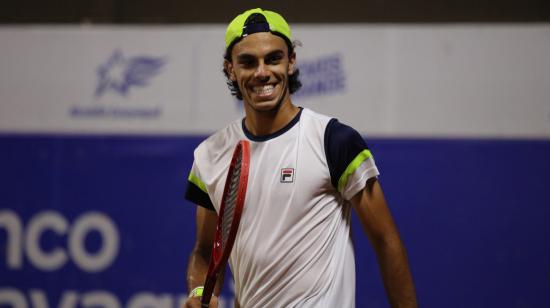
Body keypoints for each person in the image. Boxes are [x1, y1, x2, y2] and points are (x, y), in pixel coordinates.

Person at [183, 8, 417, 308]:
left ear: (291, 61)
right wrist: (199, 293)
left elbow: (387, 242)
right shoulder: (209, 155)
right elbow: (204, 252)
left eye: (273, 58)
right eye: (247, 62)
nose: (262, 72)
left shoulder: (334, 141)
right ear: (231, 69)